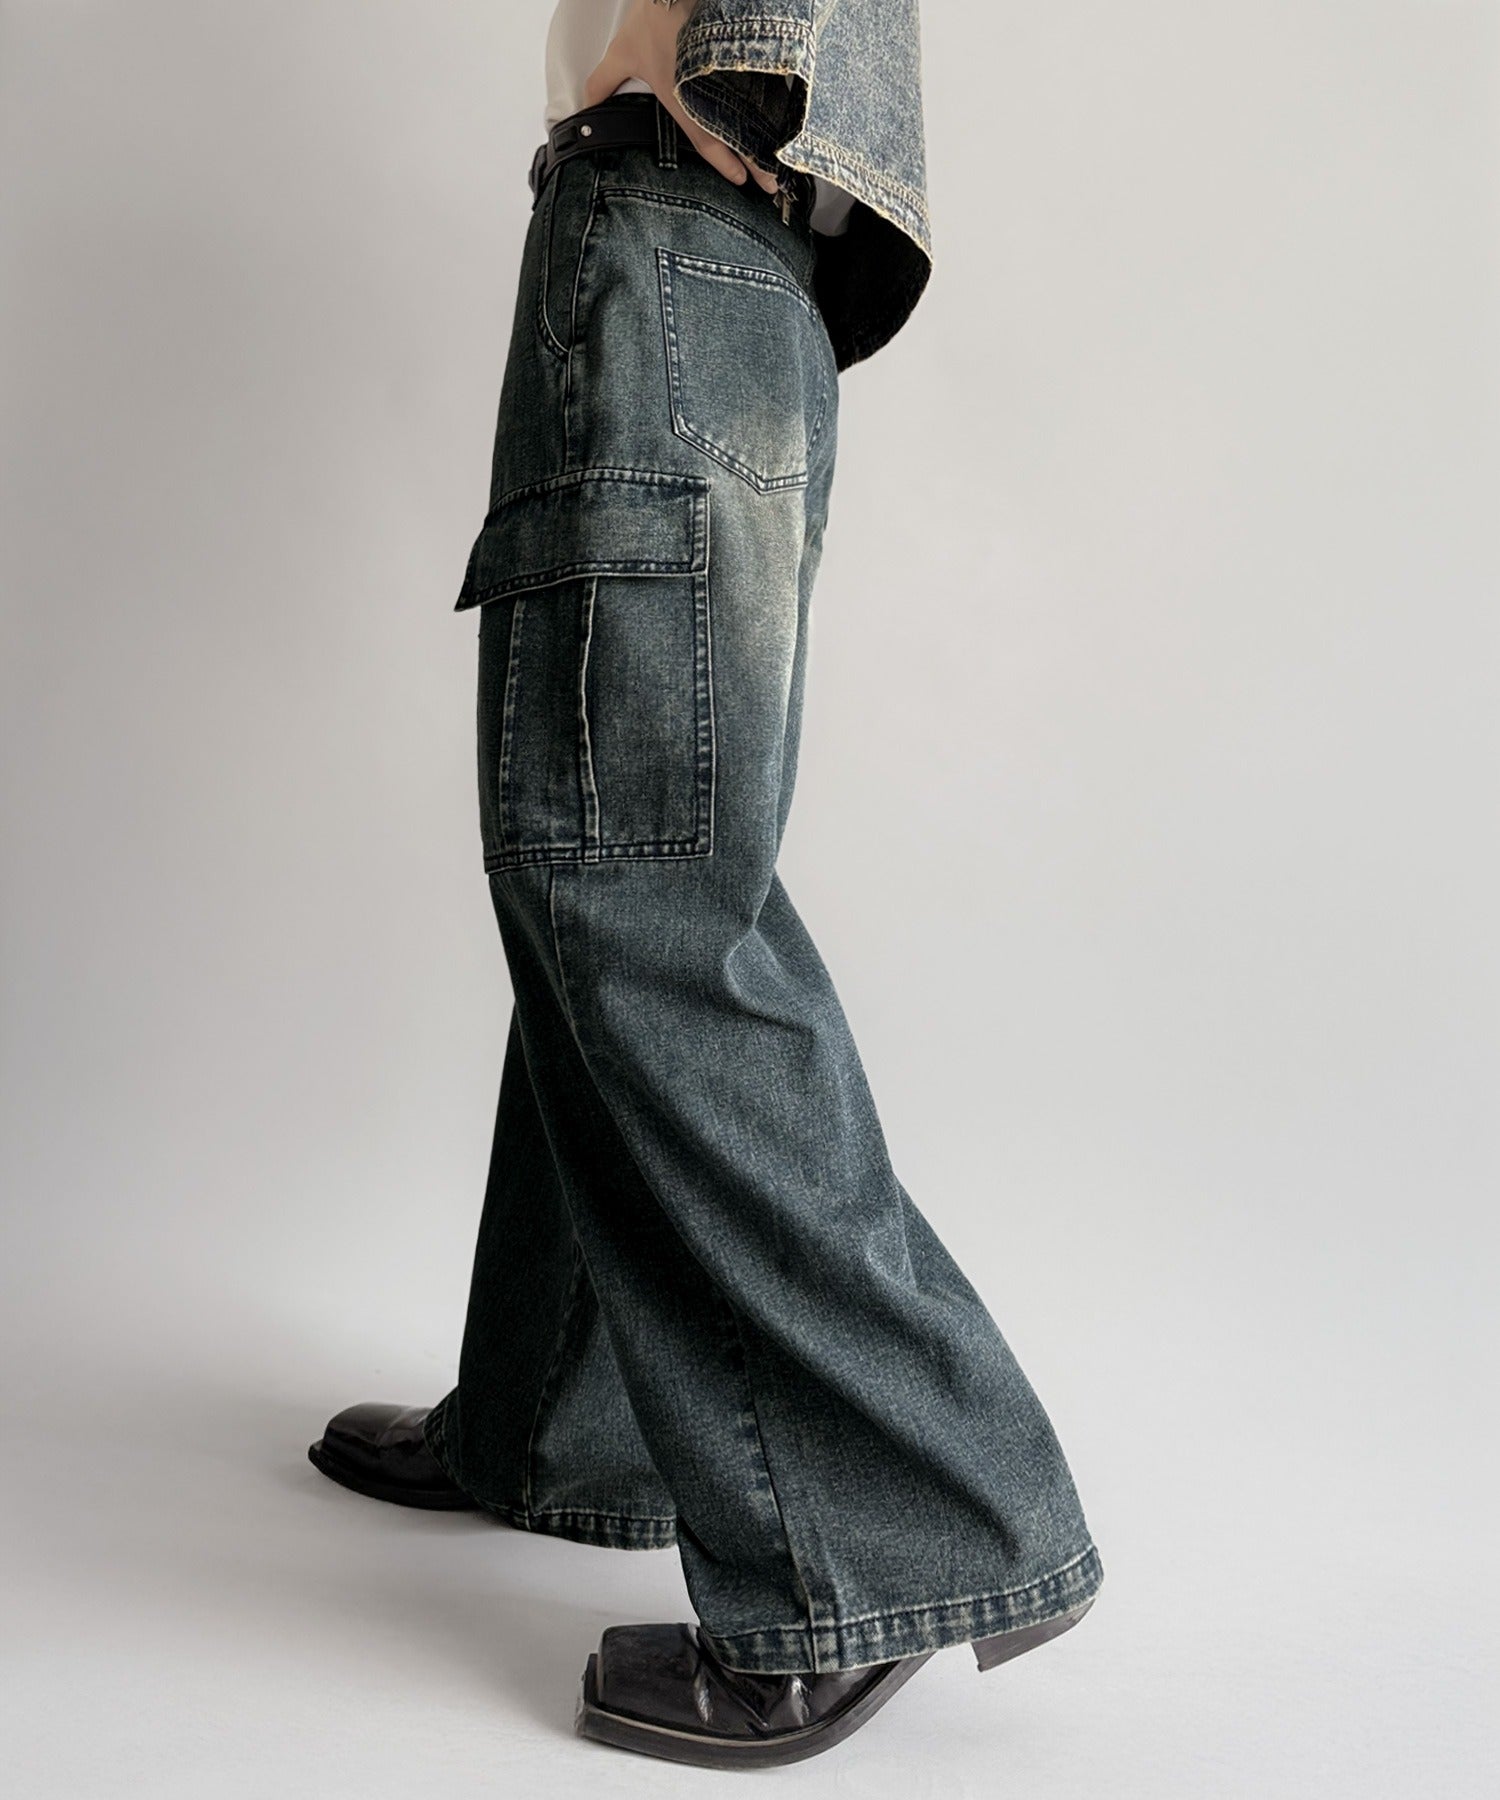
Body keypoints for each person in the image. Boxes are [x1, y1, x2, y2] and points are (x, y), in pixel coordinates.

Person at [308, 0, 1103, 1768]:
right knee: (610, 876)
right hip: (720, 267)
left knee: (634, 891)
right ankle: (556, 1423)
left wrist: (686, 66)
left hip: (668, 227)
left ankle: (902, 1536)